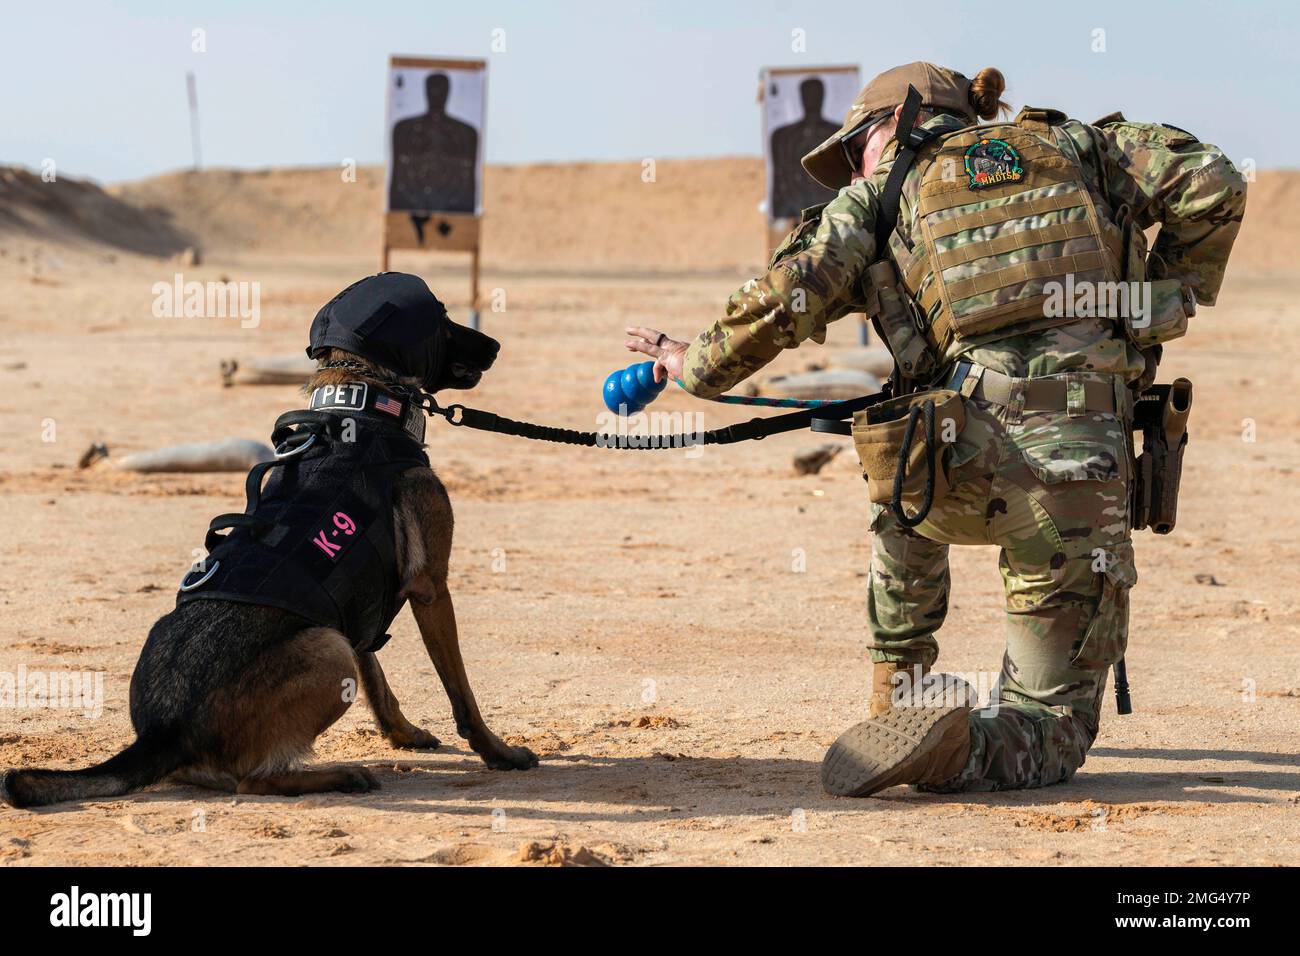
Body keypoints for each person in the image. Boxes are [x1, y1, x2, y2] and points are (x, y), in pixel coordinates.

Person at [624, 61, 1245, 796]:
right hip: (1076, 466)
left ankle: (900, 695)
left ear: (892, 125)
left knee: (899, 441)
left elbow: (791, 292)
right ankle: (959, 750)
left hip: (949, 471)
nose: (855, 161)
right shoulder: (1082, 148)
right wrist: (1155, 301)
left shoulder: (880, 192)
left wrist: (691, 365)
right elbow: (1215, 181)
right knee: (1050, 728)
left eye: (856, 144)